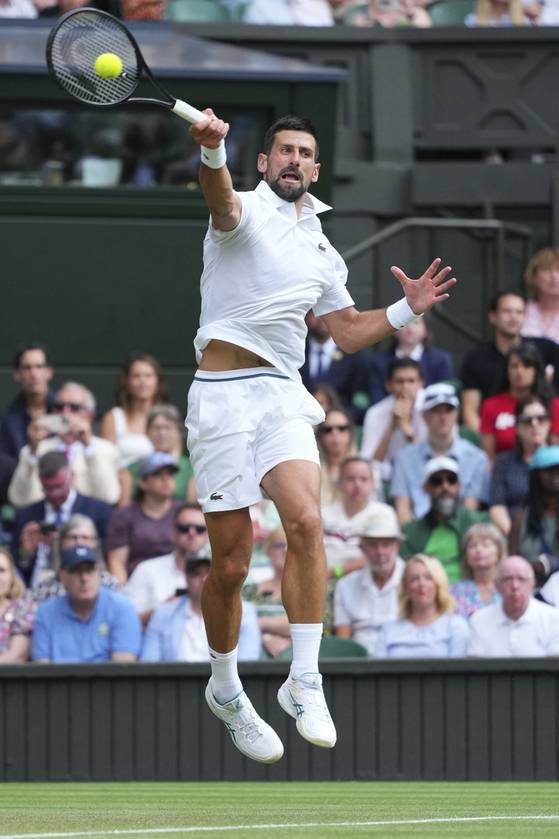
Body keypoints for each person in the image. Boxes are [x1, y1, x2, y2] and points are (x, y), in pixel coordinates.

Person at [186, 108, 454, 763]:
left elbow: (348, 331)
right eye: (284, 150)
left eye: (305, 153)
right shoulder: (242, 208)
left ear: (314, 167)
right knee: (231, 564)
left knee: (306, 521)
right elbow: (218, 199)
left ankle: (304, 677)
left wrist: (406, 308)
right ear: (263, 162)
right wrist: (213, 152)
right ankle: (225, 688)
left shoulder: (321, 247)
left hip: (282, 392)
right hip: (221, 398)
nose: (295, 161)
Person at [391, 383, 490, 525]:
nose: (443, 417)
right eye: (436, 411)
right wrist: (415, 535)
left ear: (456, 414)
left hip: (459, 531)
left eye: (448, 410)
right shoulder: (405, 458)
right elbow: (403, 511)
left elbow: (469, 512)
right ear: (424, 416)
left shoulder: (477, 458)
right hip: (417, 532)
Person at [8, 381, 120, 507]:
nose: (65, 413)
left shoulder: (106, 449)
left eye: (74, 407)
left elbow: (108, 497)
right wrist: (33, 450)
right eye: (59, 407)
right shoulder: (35, 449)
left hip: (87, 517)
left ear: (90, 415)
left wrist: (88, 447)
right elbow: (18, 499)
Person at [460, 291, 559, 434]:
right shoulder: (476, 359)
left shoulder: (546, 348)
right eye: (507, 311)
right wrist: (489, 440)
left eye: (519, 312)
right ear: (493, 316)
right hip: (495, 432)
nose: (513, 317)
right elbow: (470, 412)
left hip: (541, 434)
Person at [12, 451, 113, 588]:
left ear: (72, 477)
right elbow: (14, 569)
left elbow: (107, 558)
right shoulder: (26, 515)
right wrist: (26, 552)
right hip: (34, 585)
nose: (54, 494)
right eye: (48, 488)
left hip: (83, 583)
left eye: (59, 487)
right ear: (40, 480)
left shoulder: (98, 511)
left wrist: (62, 545)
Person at [142, 551, 261, 662]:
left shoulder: (244, 612)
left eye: (210, 572)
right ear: (186, 578)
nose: (204, 579)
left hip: (226, 678)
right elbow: (149, 664)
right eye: (196, 574)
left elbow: (247, 664)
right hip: (174, 678)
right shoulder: (163, 613)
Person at [32, 545, 142, 663]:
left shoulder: (122, 608)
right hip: (58, 676)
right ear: (62, 576)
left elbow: (123, 667)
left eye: (89, 570)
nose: (84, 578)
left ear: (99, 573)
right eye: (76, 571)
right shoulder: (46, 613)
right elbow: (42, 666)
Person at [400, 456, 489, 583]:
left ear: (459, 486)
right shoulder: (411, 532)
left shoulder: (479, 523)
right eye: (437, 482)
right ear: (425, 488)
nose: (445, 487)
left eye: (451, 480)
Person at [333, 505, 405, 655]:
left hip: (403, 656)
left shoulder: (413, 580)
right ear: (362, 548)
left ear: (397, 547)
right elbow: (343, 641)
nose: (380, 552)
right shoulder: (345, 586)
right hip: (360, 660)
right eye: (373, 545)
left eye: (386, 545)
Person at [124, 502, 209, 625]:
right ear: (173, 532)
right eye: (184, 528)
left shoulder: (219, 575)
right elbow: (126, 623)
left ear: (208, 535)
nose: (192, 533)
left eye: (200, 529)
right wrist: (161, 611)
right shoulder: (146, 570)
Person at [375, 554, 470, 658]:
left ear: (438, 583)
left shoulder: (456, 626)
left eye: (428, 578)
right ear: (406, 587)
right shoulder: (388, 630)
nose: (421, 584)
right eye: (414, 579)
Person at [107, 452, 181, 584]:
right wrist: (123, 592)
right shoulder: (123, 516)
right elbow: (117, 561)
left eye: (170, 474)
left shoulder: (185, 513)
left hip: (179, 582)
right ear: (142, 482)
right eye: (157, 474)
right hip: (137, 584)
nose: (166, 479)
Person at [480, 344, 558, 463]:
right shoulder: (491, 405)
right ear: (506, 370)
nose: (520, 371)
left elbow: (556, 449)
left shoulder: (553, 405)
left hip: (546, 469)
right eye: (514, 366)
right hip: (504, 469)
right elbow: (488, 457)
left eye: (527, 366)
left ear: (536, 370)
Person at [468, 555, 559, 656]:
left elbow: (554, 664)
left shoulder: (554, 619)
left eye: (521, 579)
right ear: (497, 585)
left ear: (532, 584)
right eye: (508, 579)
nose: (515, 586)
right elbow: (475, 663)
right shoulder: (479, 620)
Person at [489, 394, 553, 534]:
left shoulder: (557, 460)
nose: (535, 424)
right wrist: (517, 537)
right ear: (517, 428)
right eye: (527, 420)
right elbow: (497, 507)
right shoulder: (503, 462)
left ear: (549, 424)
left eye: (541, 419)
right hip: (512, 533)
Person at [322, 456, 393, 579]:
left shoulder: (384, 514)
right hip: (323, 581)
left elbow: (379, 554)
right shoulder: (323, 514)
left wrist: (336, 572)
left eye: (364, 479)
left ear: (373, 483)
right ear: (339, 483)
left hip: (363, 582)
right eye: (350, 479)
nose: (357, 484)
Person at [360, 358, 426, 483]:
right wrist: (392, 425)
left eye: (411, 381)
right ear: (388, 385)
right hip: (388, 478)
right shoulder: (375, 413)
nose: (405, 387)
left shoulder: (431, 407)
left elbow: (430, 457)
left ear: (421, 383)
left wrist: (406, 428)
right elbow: (369, 463)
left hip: (426, 476)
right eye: (399, 381)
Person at [31, 513, 121, 604]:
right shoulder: (46, 588)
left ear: (95, 543)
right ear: (61, 543)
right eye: (73, 537)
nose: (79, 542)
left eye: (85, 538)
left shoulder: (110, 584)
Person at [100, 352, 168, 469]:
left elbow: (175, 458)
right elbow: (105, 462)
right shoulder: (113, 417)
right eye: (136, 376)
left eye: (148, 376)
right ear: (126, 381)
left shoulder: (167, 417)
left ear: (157, 382)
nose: (142, 381)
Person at [300, 311, 372, 422]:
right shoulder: (294, 353)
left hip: (340, 425)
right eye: (315, 312)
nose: (322, 317)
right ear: (305, 317)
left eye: (327, 310)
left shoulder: (355, 354)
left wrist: (335, 418)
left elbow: (361, 402)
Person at [118, 404, 195, 507]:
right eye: (156, 428)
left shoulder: (190, 468)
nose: (162, 433)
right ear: (147, 431)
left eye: (168, 428)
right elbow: (123, 508)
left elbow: (192, 508)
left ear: (179, 432)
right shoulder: (131, 469)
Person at [367, 317, 453, 406]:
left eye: (416, 323)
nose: (410, 328)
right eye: (405, 322)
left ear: (426, 329)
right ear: (393, 328)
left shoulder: (440, 360)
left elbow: (444, 397)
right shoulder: (378, 363)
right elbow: (376, 397)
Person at [510, 445, 559, 584]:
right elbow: (512, 564)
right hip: (530, 591)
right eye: (549, 470)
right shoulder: (520, 518)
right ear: (536, 476)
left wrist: (551, 564)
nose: (556, 475)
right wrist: (531, 569)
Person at [243, 527, 291, 659]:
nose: (285, 550)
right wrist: (265, 638)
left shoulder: (310, 591)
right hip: (254, 656)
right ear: (268, 551)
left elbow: (316, 624)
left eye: (291, 545)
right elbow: (237, 625)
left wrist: (258, 624)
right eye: (279, 545)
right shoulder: (249, 590)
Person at [0, 343, 54, 459]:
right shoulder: (7, 419)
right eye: (27, 368)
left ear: (49, 372)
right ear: (17, 374)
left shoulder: (65, 410)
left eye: (39, 367)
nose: (33, 374)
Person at [450, 522, 506, 619]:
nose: (478, 549)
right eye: (472, 546)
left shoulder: (509, 588)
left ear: (499, 552)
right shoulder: (453, 591)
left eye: (485, 545)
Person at [316, 408, 359, 506]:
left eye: (342, 428)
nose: (335, 433)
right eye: (328, 430)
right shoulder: (312, 470)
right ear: (320, 436)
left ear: (351, 433)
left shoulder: (366, 468)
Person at [0, 547, 35, 663]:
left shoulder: (21, 607)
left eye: (2, 570)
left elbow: (17, 655)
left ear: (12, 575)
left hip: (8, 674)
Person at [522, 248, 559, 343]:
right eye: (547, 270)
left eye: (558, 270)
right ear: (534, 277)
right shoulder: (521, 311)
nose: (553, 276)